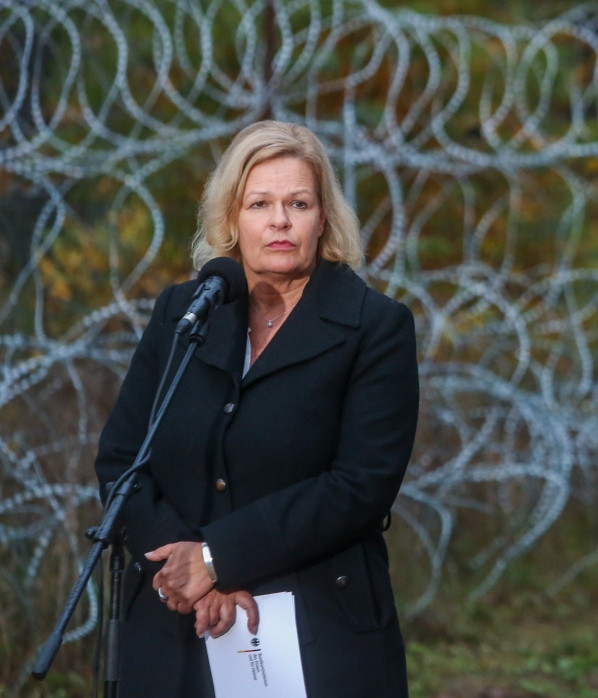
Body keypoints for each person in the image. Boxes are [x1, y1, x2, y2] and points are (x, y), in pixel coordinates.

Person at [94, 120, 419, 696]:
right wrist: (185, 571)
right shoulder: (184, 314)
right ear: (231, 219)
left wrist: (218, 559)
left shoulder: (375, 327)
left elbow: (359, 486)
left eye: (298, 203)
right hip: (173, 633)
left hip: (316, 629)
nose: (279, 221)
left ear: (324, 218)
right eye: (259, 203)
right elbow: (123, 459)